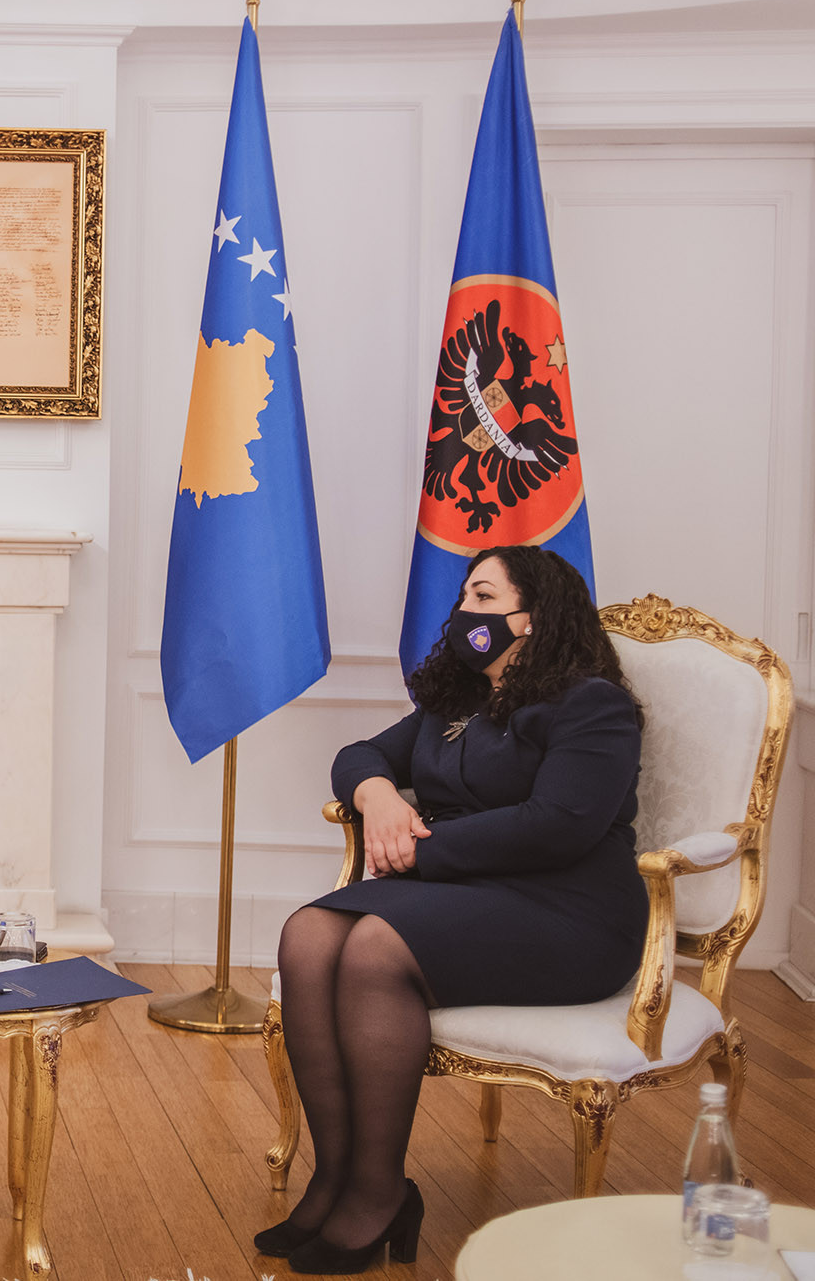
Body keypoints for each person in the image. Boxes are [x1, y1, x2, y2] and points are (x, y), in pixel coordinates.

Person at [256, 545, 647, 1275]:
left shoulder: (592, 704)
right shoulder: (454, 700)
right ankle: (334, 1177)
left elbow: (559, 823)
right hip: (463, 891)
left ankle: (378, 1193)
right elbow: (359, 754)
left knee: (373, 947)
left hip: (571, 910)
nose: (465, 610)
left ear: (533, 619)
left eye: (484, 596)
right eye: (466, 595)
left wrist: (418, 848)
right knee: (308, 932)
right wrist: (377, 795)